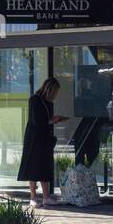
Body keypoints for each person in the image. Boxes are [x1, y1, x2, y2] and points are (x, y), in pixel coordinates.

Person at [18, 76, 67, 207]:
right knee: (33, 166)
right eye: (55, 92)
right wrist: (53, 120)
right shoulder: (34, 100)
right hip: (34, 138)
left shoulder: (48, 102)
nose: (55, 95)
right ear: (49, 89)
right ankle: (33, 197)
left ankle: (46, 197)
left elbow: (45, 120)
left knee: (45, 166)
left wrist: (54, 120)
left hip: (45, 137)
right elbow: (37, 121)